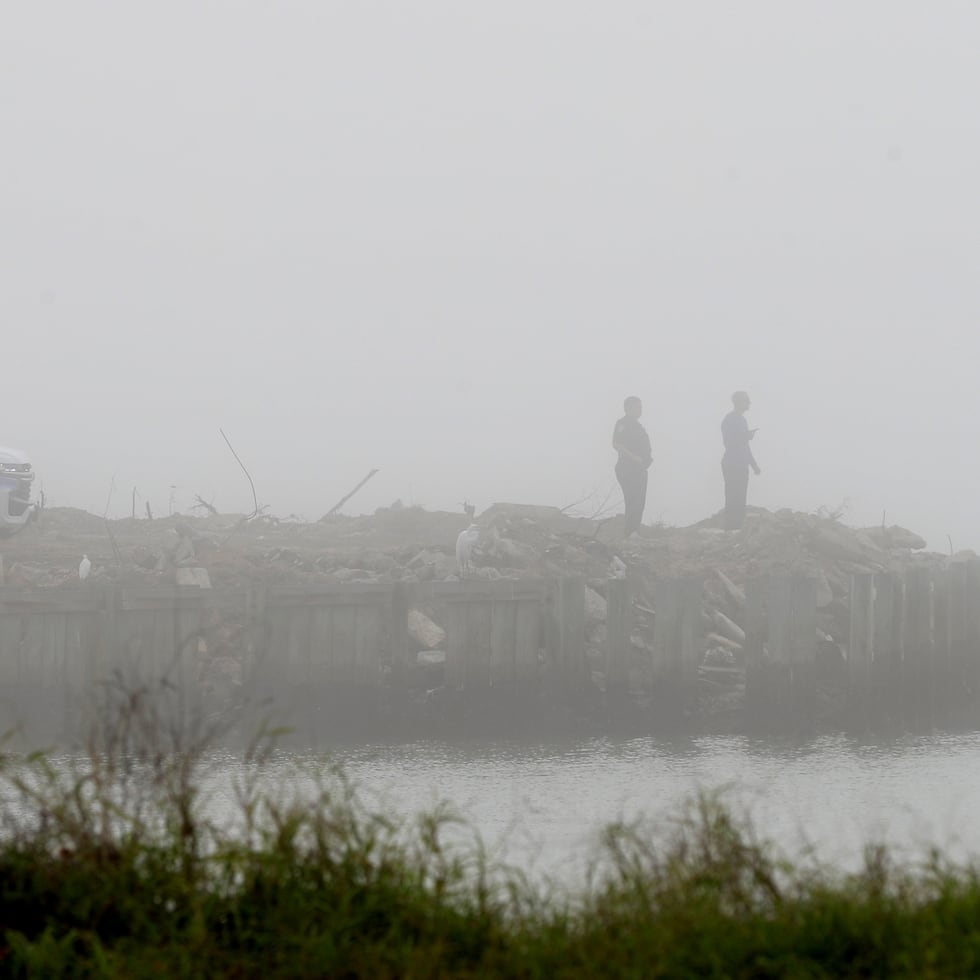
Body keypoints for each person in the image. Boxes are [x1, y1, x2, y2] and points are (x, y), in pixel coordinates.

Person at [612, 396, 652, 537]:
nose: (640, 409)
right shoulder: (623, 423)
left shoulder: (638, 426)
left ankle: (634, 532)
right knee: (632, 500)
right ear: (628, 408)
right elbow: (617, 444)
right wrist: (635, 458)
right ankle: (630, 533)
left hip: (640, 469)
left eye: (641, 407)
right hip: (627, 468)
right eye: (637, 407)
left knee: (639, 501)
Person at [721, 390, 761, 530]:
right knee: (732, 496)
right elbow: (728, 443)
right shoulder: (729, 420)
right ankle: (730, 528)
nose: (749, 403)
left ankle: (738, 528)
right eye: (746, 400)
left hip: (742, 464)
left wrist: (754, 464)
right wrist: (746, 436)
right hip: (731, 464)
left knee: (741, 497)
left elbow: (745, 445)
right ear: (738, 402)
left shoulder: (743, 420)